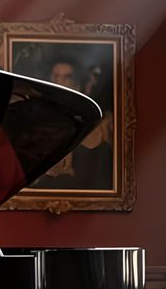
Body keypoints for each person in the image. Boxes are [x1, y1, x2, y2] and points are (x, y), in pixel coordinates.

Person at [35, 56, 115, 191]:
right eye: (55, 77)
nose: (59, 82)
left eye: (67, 77)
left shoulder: (102, 122)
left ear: (79, 83)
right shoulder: (37, 119)